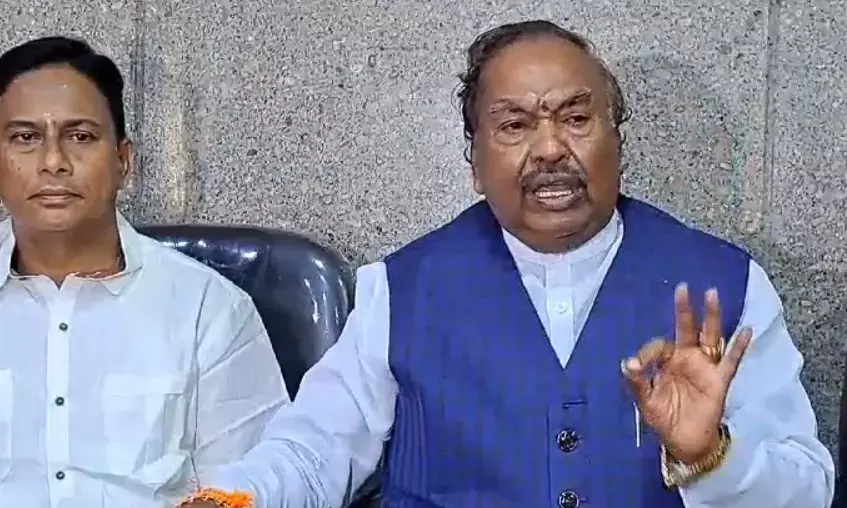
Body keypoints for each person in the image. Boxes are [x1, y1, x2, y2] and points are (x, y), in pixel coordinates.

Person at [179, 20, 834, 508]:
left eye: (575, 118)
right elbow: (314, 450)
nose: (549, 148)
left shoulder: (725, 287)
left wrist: (711, 457)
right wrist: (233, 500)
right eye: (515, 125)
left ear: (617, 139)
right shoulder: (402, 290)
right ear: (474, 161)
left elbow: (808, 491)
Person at [0, 36, 288, 506]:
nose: (53, 162)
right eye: (25, 138)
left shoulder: (207, 311)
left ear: (123, 161)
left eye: (80, 136)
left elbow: (250, 486)